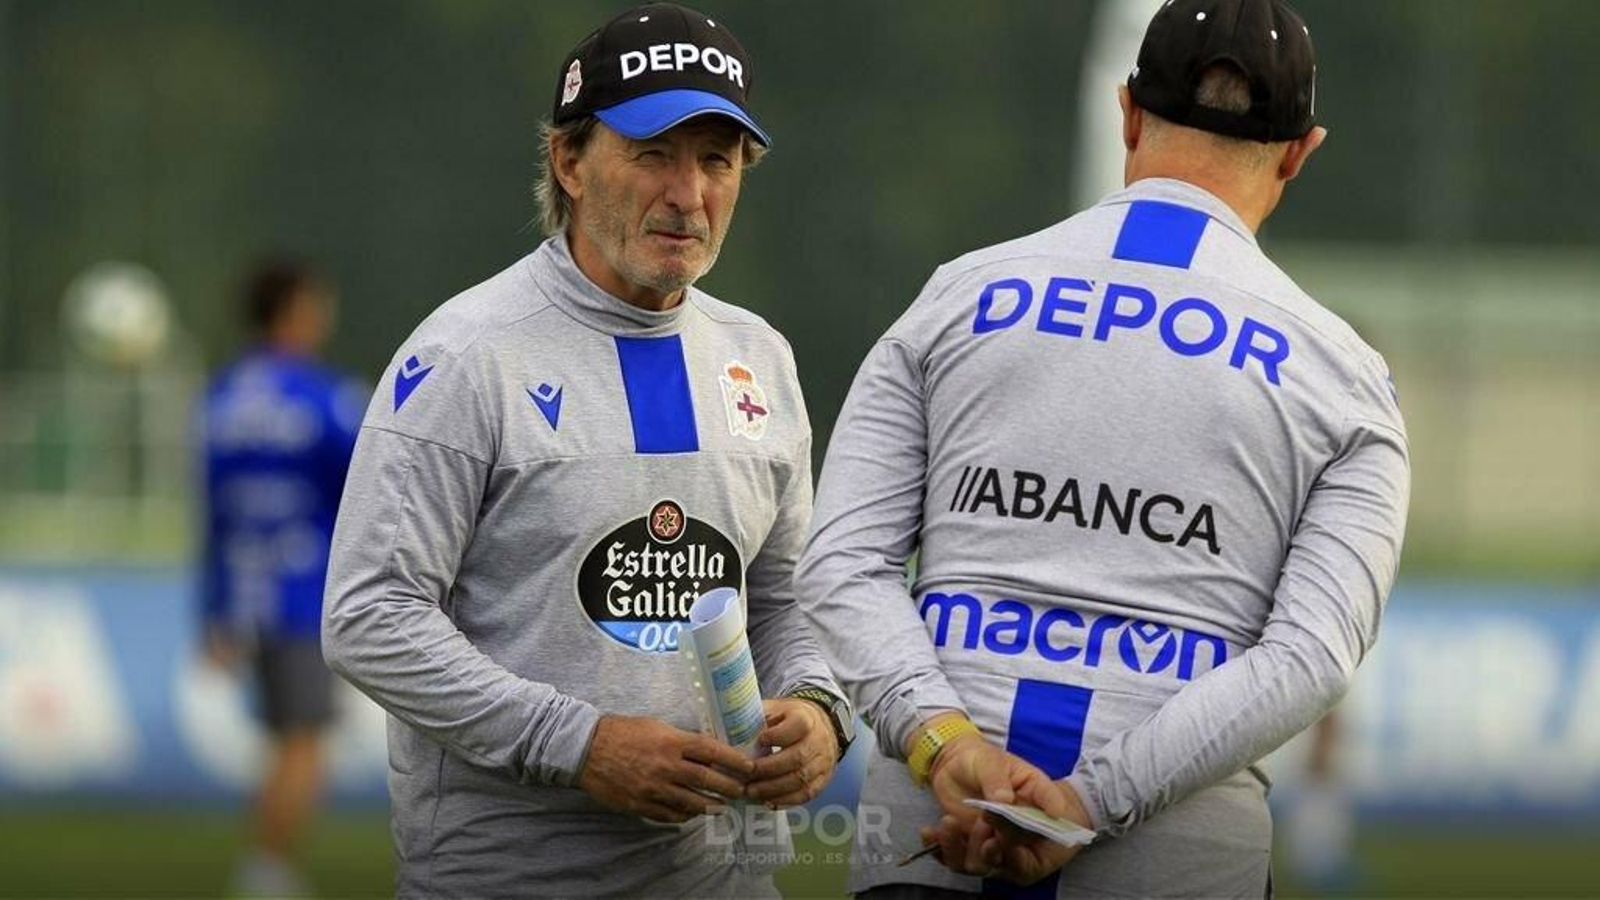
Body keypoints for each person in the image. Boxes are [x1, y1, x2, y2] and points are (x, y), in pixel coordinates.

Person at [794, 0, 1410, 897]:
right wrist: (1087, 805)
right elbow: (1312, 656)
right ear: (1299, 150)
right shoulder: (1346, 378)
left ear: (1127, 111)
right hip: (1176, 866)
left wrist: (943, 742)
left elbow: (842, 563)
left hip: (927, 838)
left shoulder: (954, 297)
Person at [322, 5, 853, 897]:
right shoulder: (467, 353)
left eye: (717, 161)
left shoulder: (759, 357)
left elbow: (787, 596)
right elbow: (370, 616)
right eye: (653, 154)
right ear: (569, 161)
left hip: (723, 879)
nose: (689, 194)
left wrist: (819, 710)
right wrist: (581, 744)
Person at [198, 260, 365, 896]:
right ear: (294, 309)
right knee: (303, 744)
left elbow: (210, 509)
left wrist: (213, 609)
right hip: (306, 591)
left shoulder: (220, 397)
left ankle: (265, 863)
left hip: (247, 590)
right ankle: (266, 873)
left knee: (282, 743)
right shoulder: (324, 398)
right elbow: (363, 490)